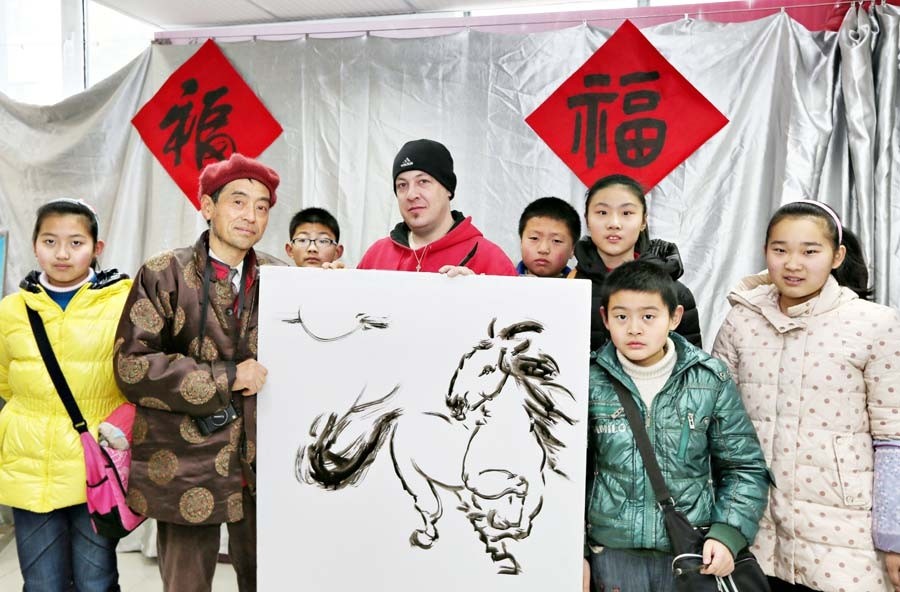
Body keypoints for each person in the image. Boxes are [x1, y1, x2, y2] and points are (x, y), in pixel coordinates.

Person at [113, 153, 282, 592]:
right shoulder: (163, 273)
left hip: (264, 461)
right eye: (238, 201)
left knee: (271, 578)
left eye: (262, 206)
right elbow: (132, 366)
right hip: (184, 461)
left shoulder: (283, 279)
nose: (251, 215)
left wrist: (333, 289)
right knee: (185, 584)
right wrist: (227, 377)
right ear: (208, 206)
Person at [712, 200, 900, 592]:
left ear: (837, 256)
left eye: (809, 251)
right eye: (780, 250)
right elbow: (716, 424)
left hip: (846, 541)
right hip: (756, 533)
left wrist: (894, 538)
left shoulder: (875, 324)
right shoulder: (741, 320)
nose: (793, 263)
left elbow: (893, 440)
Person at [584, 259, 769, 592]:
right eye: (621, 316)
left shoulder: (709, 379)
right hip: (612, 554)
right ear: (605, 319)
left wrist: (728, 534)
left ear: (674, 317)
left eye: (649, 316)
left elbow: (744, 466)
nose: (635, 328)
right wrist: (578, 552)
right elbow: (567, 474)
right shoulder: (588, 380)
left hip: (692, 549)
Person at [0, 198, 131, 590]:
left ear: (97, 248)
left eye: (76, 242)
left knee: (96, 580)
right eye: (50, 241)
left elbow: (136, 376)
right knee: (41, 582)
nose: (61, 253)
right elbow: (6, 381)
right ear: (35, 244)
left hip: (95, 466)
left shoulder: (122, 303)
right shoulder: (11, 310)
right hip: (30, 465)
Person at [568, 174, 701, 351]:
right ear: (587, 220)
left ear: (643, 221)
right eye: (602, 213)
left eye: (626, 213)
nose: (614, 223)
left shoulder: (676, 292)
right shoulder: (569, 286)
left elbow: (692, 369)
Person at [356, 138, 516, 276]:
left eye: (423, 182)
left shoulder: (488, 257)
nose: (411, 195)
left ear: (448, 188)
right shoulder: (377, 256)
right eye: (402, 185)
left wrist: (477, 295)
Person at [516, 196, 579, 277]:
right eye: (534, 238)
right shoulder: (503, 281)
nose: (543, 249)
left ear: (573, 249)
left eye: (556, 241)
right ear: (521, 242)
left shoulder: (582, 287)